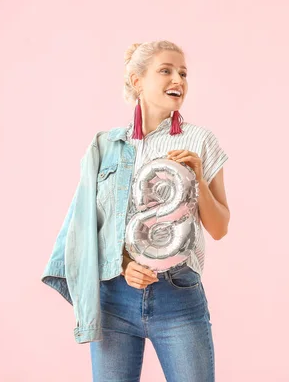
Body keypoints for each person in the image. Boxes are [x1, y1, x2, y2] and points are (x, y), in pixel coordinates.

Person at [41, 40, 230, 381]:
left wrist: (198, 180)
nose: (179, 80)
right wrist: (125, 265)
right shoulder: (107, 147)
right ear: (137, 80)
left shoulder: (201, 140)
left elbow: (219, 228)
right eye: (166, 70)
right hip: (115, 297)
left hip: (179, 295)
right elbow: (89, 229)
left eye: (183, 73)